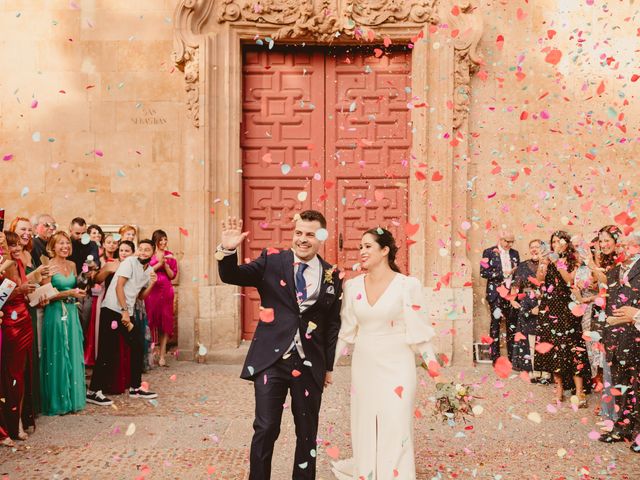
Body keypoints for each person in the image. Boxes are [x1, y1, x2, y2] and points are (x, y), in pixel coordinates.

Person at [217, 211, 342, 480]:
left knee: (307, 432)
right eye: (299, 233)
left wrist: (328, 367)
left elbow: (332, 325)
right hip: (271, 361)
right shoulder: (272, 260)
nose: (303, 239)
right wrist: (227, 251)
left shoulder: (332, 274)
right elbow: (232, 275)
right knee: (265, 428)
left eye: (310, 234)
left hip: (310, 365)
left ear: (321, 237)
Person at [331, 228, 440, 480]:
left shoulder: (407, 285)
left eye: (368, 246)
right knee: (364, 422)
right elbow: (347, 333)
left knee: (397, 420)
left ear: (385, 250)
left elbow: (420, 333)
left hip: (398, 363)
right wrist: (328, 367)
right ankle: (367, 473)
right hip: (364, 363)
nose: (362, 251)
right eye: (360, 246)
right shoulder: (352, 286)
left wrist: (436, 373)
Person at [86, 240, 158, 405]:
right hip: (112, 310)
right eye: (140, 249)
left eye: (147, 250)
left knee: (138, 346)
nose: (143, 252)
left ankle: (135, 387)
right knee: (107, 350)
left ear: (152, 253)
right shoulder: (129, 262)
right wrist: (125, 312)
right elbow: (119, 286)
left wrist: (153, 283)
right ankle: (93, 391)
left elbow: (141, 296)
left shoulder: (150, 270)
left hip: (127, 311)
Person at [534, 231, 589, 406]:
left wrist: (558, 262)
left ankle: (580, 391)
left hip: (567, 308)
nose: (556, 244)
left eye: (559, 241)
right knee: (554, 349)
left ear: (566, 244)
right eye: (554, 241)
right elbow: (539, 280)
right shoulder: (548, 260)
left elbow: (569, 281)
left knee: (573, 347)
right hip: (549, 308)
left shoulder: (573, 260)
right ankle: (558, 389)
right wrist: (543, 265)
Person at [599, 232, 640, 453]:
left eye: (624, 244)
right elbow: (609, 308)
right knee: (621, 386)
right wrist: (606, 337)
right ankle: (622, 427)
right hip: (616, 339)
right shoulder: (614, 272)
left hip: (637, 336)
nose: (618, 248)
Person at [39, 232, 87, 416]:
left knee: (72, 351)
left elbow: (75, 287)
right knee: (57, 353)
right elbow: (47, 294)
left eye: (67, 243)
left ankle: (72, 399)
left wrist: (78, 292)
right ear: (52, 246)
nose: (65, 246)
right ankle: (58, 401)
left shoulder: (73, 265)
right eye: (61, 243)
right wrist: (70, 294)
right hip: (55, 312)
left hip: (72, 312)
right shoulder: (48, 266)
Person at [0, 232, 39, 440]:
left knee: (24, 372)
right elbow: (0, 299)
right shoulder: (3, 267)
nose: (15, 249)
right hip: (10, 324)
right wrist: (18, 291)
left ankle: (21, 419)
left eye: (16, 245)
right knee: (12, 375)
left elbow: (24, 291)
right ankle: (12, 426)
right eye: (9, 245)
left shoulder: (20, 264)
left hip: (25, 321)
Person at [91, 240, 136, 394]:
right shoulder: (113, 264)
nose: (123, 253)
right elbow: (97, 279)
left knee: (124, 346)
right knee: (108, 346)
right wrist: (108, 270)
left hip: (126, 309)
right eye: (121, 250)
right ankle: (104, 385)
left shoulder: (134, 267)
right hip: (110, 307)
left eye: (127, 251)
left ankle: (122, 382)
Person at [509, 239, 549, 383]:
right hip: (527, 302)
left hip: (544, 301)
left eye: (537, 247)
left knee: (542, 335)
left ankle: (543, 370)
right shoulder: (523, 265)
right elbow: (516, 284)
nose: (534, 249)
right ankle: (529, 368)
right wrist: (513, 299)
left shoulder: (547, 264)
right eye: (531, 247)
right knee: (527, 336)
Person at [480, 231, 520, 362]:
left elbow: (517, 274)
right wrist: (503, 273)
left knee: (511, 324)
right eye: (507, 241)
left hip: (510, 294)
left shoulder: (515, 253)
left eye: (511, 242)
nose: (509, 244)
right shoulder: (489, 252)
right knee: (495, 323)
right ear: (500, 239)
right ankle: (495, 357)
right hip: (496, 293)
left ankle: (512, 358)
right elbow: (483, 272)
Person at [145, 230, 178, 367]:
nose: (163, 242)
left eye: (165, 239)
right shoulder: (149, 255)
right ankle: (151, 353)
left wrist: (166, 265)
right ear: (155, 241)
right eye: (161, 240)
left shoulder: (170, 256)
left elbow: (172, 276)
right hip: (152, 291)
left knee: (165, 322)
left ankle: (163, 355)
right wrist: (159, 263)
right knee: (151, 321)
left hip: (166, 292)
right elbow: (146, 271)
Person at [68, 217, 101, 338]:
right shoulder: (66, 244)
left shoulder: (92, 244)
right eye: (77, 233)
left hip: (85, 291)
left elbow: (96, 262)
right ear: (70, 230)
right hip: (67, 290)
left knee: (83, 329)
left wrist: (93, 264)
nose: (81, 236)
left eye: (83, 233)